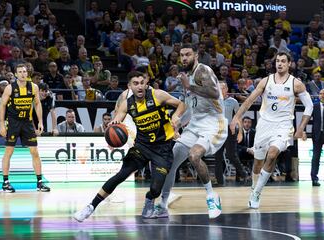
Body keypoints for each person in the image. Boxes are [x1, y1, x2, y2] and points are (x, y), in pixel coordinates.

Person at [73, 71, 185, 221]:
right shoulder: (127, 104)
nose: (139, 86)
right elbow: (117, 120)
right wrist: (112, 131)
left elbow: (181, 104)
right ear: (129, 86)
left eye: (141, 83)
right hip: (142, 147)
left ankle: (149, 199)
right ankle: (90, 207)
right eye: (135, 83)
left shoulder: (158, 95)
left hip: (163, 148)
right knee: (121, 175)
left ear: (146, 84)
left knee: (156, 188)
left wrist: (176, 116)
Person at [230, 52, 314, 209]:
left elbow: (309, 105)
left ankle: (257, 193)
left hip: (283, 126)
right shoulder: (265, 81)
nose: (280, 64)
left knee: (273, 153)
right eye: (277, 61)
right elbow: (249, 101)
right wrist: (237, 118)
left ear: (289, 64)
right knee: (258, 162)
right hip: (264, 125)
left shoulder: (296, 84)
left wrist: (301, 128)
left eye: (283, 61)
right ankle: (254, 187)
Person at [155, 43, 228, 219]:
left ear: (195, 55)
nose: (184, 58)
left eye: (188, 54)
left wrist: (189, 86)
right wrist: (179, 120)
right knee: (169, 161)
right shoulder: (186, 75)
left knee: (194, 156)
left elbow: (213, 92)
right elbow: (189, 104)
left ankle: (212, 196)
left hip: (213, 125)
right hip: (195, 124)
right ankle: (163, 203)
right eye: (181, 55)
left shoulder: (202, 70)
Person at [0, 64, 50, 193]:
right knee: (9, 152)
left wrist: (41, 122)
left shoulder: (34, 87)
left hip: (27, 122)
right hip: (13, 122)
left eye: (25, 71)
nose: (22, 74)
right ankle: (5, 182)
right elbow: (2, 106)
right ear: (16, 74)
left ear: (28, 73)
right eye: (20, 72)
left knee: (34, 152)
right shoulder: (10, 88)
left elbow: (37, 104)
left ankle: (39, 183)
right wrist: (2, 125)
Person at [214, 81, 247, 184]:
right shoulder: (213, 101)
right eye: (219, 88)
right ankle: (219, 180)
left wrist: (240, 133)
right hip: (217, 130)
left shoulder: (233, 101)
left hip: (230, 130)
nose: (221, 90)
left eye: (223, 88)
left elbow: (239, 118)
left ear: (227, 89)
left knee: (230, 155)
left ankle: (244, 174)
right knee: (217, 156)